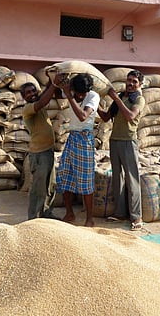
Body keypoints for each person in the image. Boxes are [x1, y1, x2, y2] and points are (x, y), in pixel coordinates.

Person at [98, 69, 145, 231]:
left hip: (128, 142)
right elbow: (106, 117)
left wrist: (116, 98)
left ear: (140, 85)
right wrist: (93, 104)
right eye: (129, 80)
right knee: (118, 178)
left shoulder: (138, 99)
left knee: (132, 179)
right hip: (115, 141)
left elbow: (130, 116)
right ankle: (119, 212)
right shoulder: (121, 97)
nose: (130, 84)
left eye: (134, 82)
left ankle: (136, 216)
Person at [56, 73, 100, 227]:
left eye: (82, 94)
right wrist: (56, 82)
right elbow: (57, 92)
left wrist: (69, 96)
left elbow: (83, 116)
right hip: (72, 137)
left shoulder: (93, 97)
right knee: (64, 175)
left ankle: (89, 218)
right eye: (78, 93)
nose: (80, 96)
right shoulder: (71, 91)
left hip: (84, 139)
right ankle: (69, 213)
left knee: (86, 181)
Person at [21, 78, 61, 220]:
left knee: (50, 186)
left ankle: (47, 214)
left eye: (33, 91)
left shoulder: (38, 102)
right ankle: (33, 219)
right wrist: (54, 84)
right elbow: (42, 101)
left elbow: (43, 95)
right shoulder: (28, 109)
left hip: (48, 151)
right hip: (38, 155)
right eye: (28, 93)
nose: (32, 94)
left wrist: (51, 79)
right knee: (39, 189)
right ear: (23, 97)